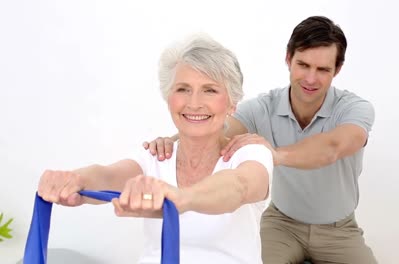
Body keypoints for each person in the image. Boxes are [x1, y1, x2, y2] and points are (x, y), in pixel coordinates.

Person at [144, 16, 377, 264]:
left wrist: (274, 155)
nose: (310, 78)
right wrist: (171, 141)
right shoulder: (262, 108)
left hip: (338, 230)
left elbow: (333, 147)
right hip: (281, 224)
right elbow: (217, 125)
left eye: (322, 70)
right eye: (303, 65)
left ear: (337, 70)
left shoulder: (354, 108)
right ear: (288, 58)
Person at [37, 34, 273, 264]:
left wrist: (182, 198)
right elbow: (107, 175)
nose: (194, 102)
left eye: (210, 90)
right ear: (168, 97)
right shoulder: (156, 156)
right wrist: (73, 180)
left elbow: (239, 187)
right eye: (183, 89)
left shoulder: (249, 153)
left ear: (232, 103)